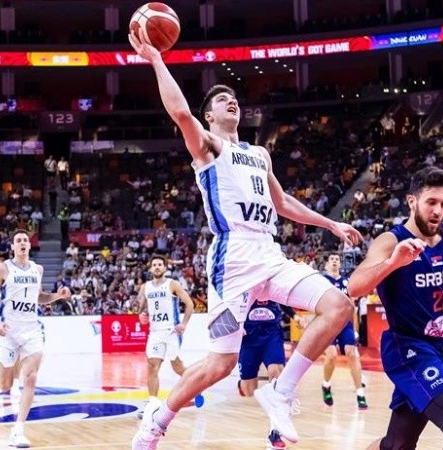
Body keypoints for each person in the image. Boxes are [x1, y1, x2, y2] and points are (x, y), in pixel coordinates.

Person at [129, 28, 362, 449]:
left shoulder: (259, 154)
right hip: (231, 257)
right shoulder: (209, 147)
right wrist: (156, 59)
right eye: (221, 99)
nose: (231, 100)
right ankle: (156, 422)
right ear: (211, 116)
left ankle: (281, 392)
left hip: (268, 252)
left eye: (233, 97)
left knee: (338, 305)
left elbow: (284, 202)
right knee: (221, 363)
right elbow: (182, 114)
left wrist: (330, 225)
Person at [347, 167, 443, 450]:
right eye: (431, 203)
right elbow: (354, 287)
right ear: (412, 202)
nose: (438, 211)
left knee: (397, 445)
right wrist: (393, 263)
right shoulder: (391, 241)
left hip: (439, 350)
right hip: (407, 350)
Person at [0, 229, 71, 447]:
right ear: (12, 247)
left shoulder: (37, 269)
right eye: (18, 241)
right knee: (5, 384)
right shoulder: (3, 268)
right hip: (9, 330)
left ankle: (18, 429)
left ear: (29, 246)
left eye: (25, 240)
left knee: (30, 376)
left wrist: (57, 296)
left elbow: (38, 297)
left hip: (32, 329)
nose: (22, 243)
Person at [137, 256, 202, 418]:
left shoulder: (172, 284)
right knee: (152, 366)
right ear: (150, 269)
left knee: (177, 368)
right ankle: (152, 404)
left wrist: (184, 324)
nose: (157, 267)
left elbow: (190, 304)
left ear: (165, 268)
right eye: (154, 265)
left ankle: (197, 387)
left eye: (160, 264)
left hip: (172, 332)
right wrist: (141, 315)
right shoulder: (145, 288)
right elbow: (141, 309)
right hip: (155, 333)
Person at [238, 297, 296, 450]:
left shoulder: (271, 278)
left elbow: (283, 298)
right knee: (248, 389)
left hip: (271, 333)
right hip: (248, 336)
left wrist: (295, 316)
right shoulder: (244, 280)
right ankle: (241, 383)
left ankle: (275, 434)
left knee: (276, 373)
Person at [320, 253, 367, 410]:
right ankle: (326, 385)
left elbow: (352, 307)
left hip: (344, 323)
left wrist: (355, 329)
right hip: (327, 323)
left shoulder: (346, 282)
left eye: (337, 260)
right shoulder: (322, 281)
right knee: (332, 355)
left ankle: (360, 393)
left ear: (340, 264)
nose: (334, 262)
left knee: (352, 354)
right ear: (326, 264)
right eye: (331, 259)